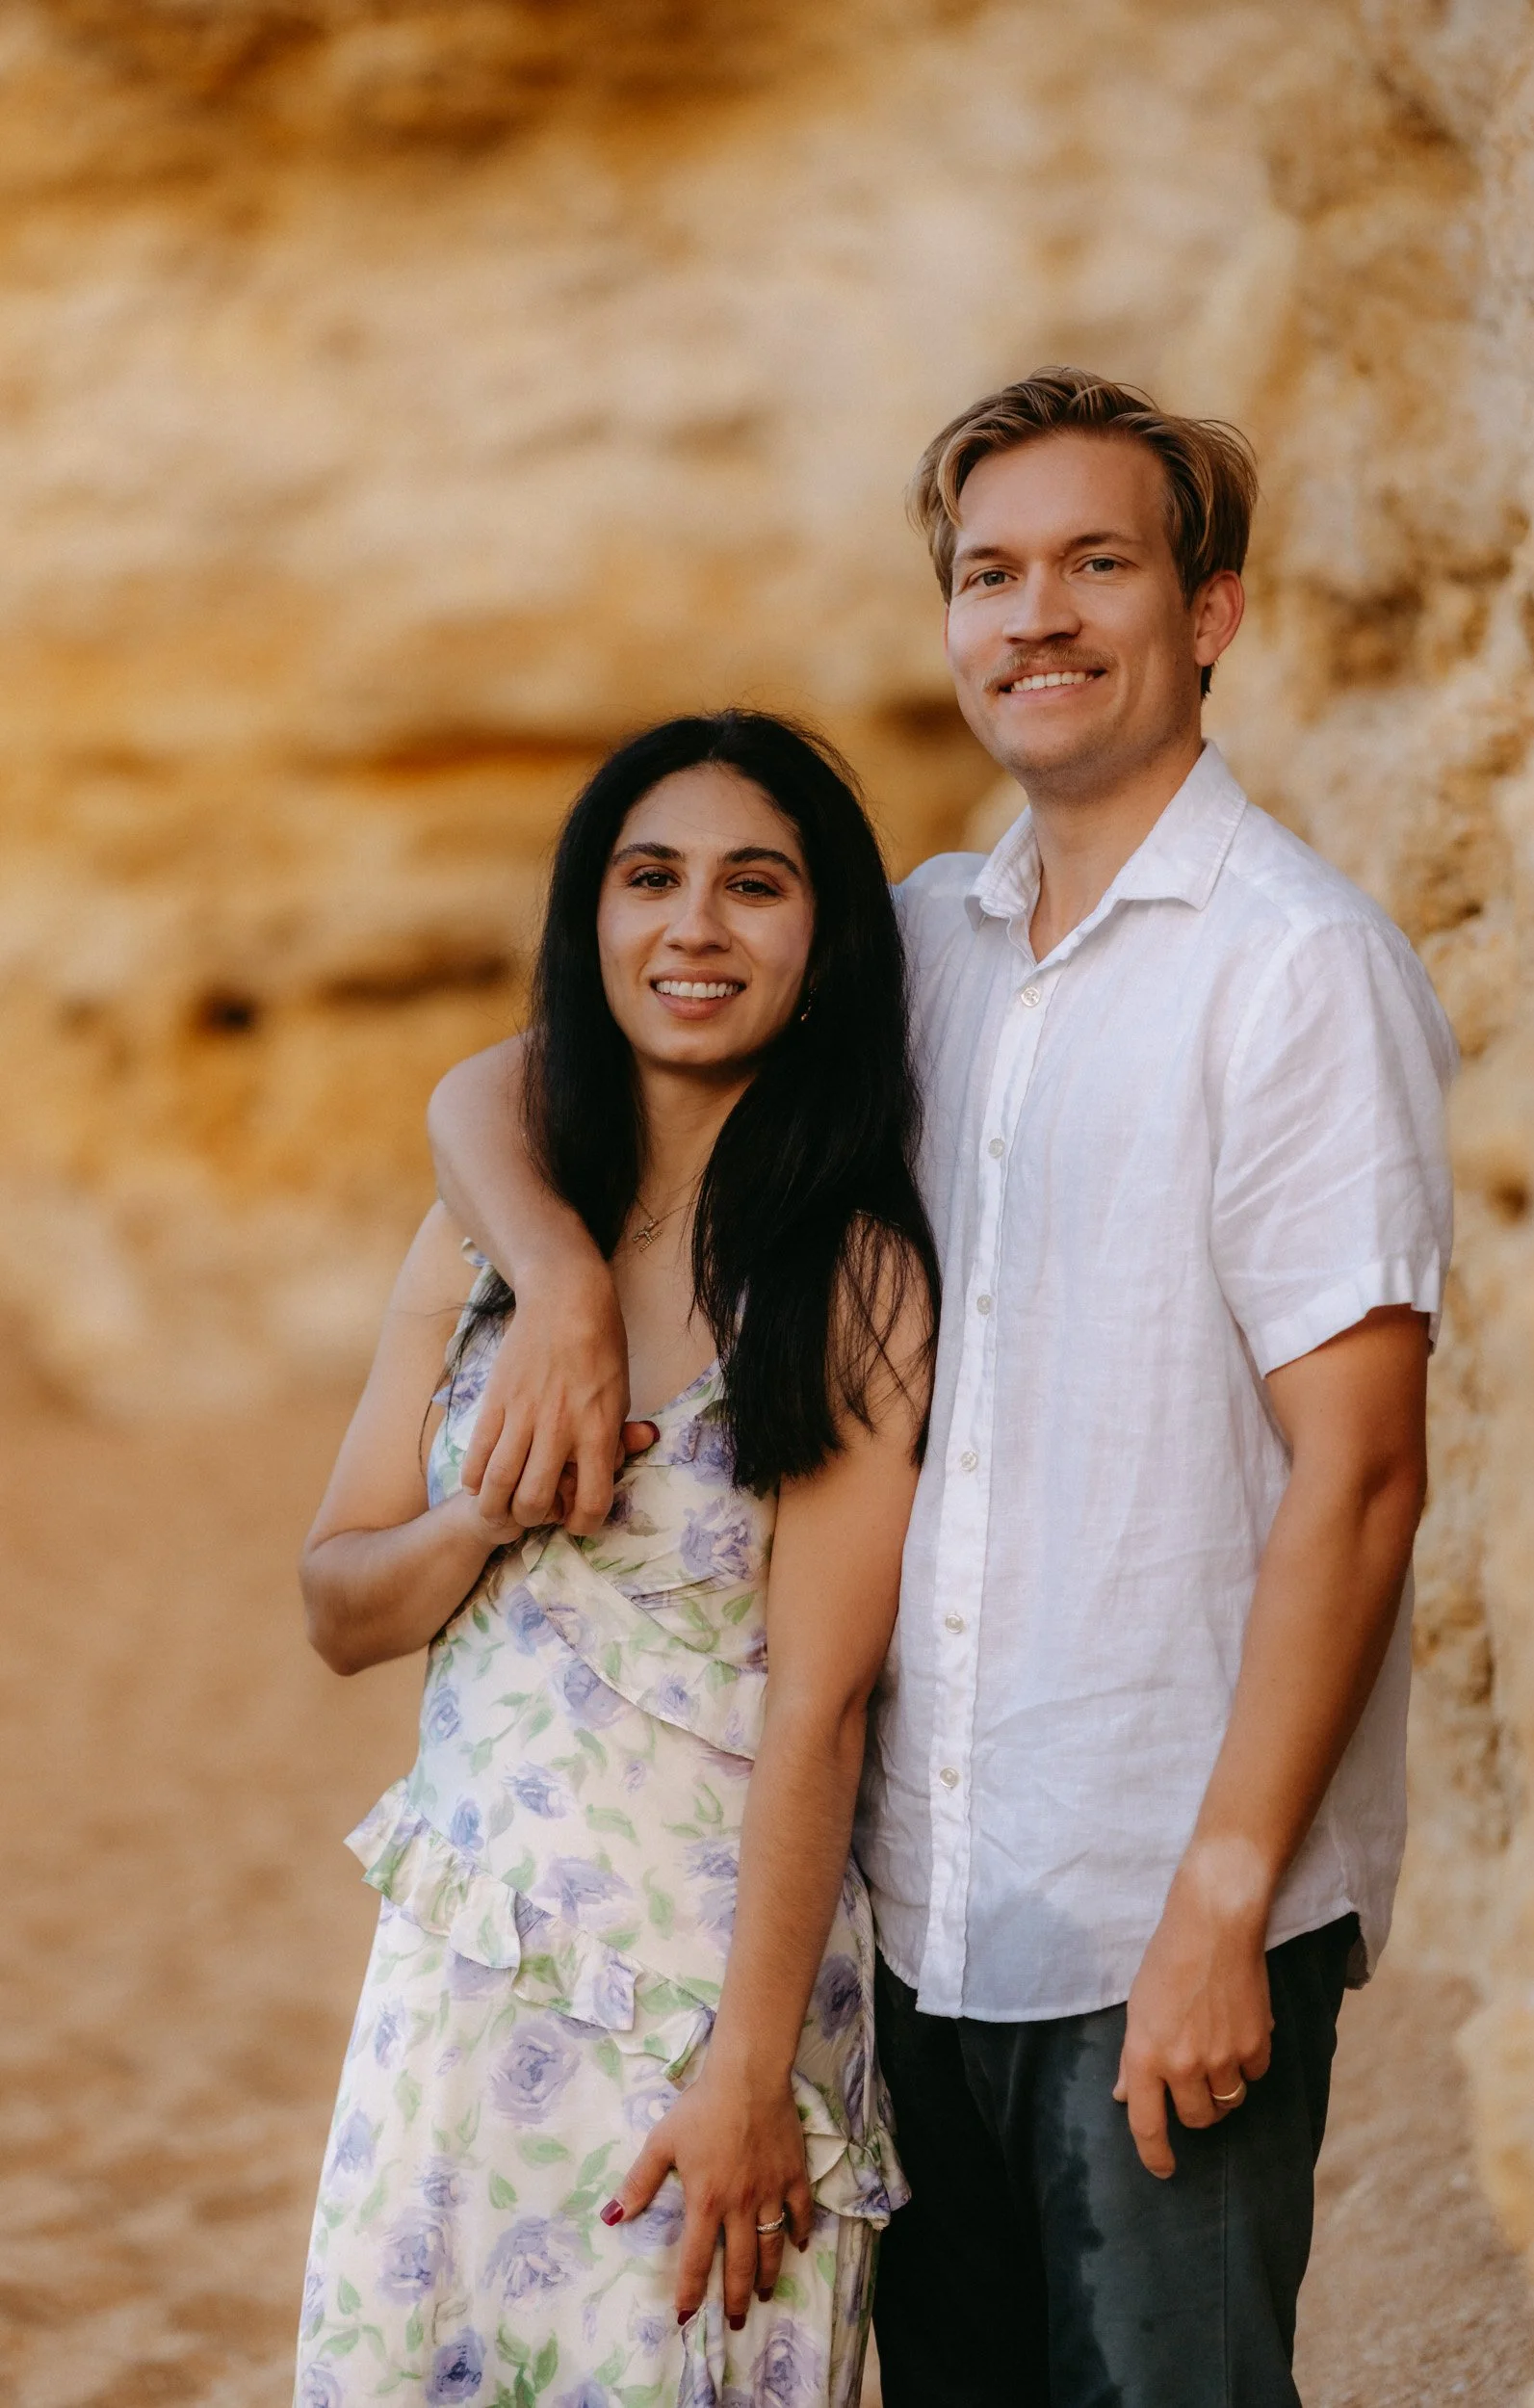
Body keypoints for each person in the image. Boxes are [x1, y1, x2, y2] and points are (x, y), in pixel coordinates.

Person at [426, 370, 1457, 2408]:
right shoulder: (917, 949)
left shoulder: (1292, 965)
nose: (1035, 615)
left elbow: (1356, 1476)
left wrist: (1221, 1902)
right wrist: (548, 1268)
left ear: (1209, 613)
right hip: (918, 1930)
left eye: (1097, 563)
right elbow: (519, 1074)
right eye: (988, 572)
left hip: (1161, 1905)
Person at [295, 711, 937, 2408]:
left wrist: (744, 2076)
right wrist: (484, 1512)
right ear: (591, 919)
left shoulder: (852, 1272)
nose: (694, 928)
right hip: (456, 1981)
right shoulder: (486, 1230)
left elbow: (822, 1708)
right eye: (648, 879)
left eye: (755, 886)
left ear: (825, 940)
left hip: (702, 2013)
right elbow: (337, 1604)